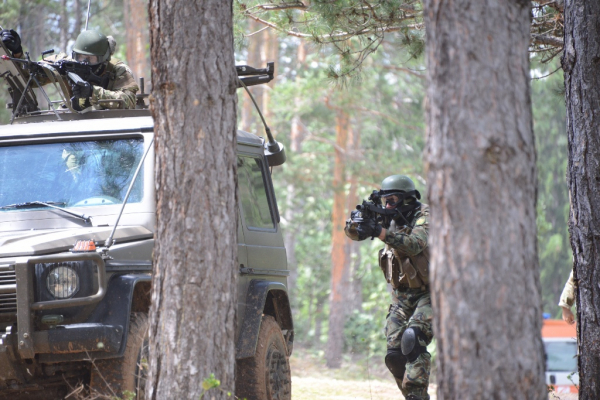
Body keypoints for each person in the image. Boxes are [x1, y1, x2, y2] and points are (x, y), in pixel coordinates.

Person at [345, 175, 432, 400]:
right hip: (402, 296)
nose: (387, 206)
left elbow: (415, 245)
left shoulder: (425, 216)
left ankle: (416, 396)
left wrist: (379, 231)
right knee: (394, 356)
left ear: (406, 199)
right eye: (385, 201)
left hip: (431, 293)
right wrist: (358, 224)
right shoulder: (389, 216)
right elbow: (354, 234)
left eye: (392, 200)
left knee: (412, 339)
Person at [0, 29, 138, 110]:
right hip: (73, 128)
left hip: (108, 131)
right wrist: (18, 53)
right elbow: (29, 79)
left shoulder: (117, 70)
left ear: (103, 58)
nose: (84, 62)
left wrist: (92, 91)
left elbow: (130, 101)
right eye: (79, 57)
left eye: (91, 59)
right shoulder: (66, 64)